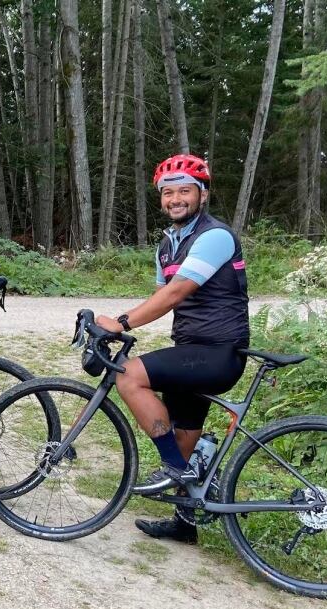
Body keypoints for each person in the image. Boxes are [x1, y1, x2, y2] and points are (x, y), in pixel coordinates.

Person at [96, 153, 249, 543]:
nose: (175, 199)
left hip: (217, 352)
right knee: (184, 436)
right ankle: (186, 521)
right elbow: (164, 294)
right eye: (168, 193)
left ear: (202, 194)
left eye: (185, 191)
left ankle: (173, 469)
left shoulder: (214, 236)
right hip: (192, 350)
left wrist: (123, 321)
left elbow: (179, 290)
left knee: (129, 375)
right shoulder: (169, 244)